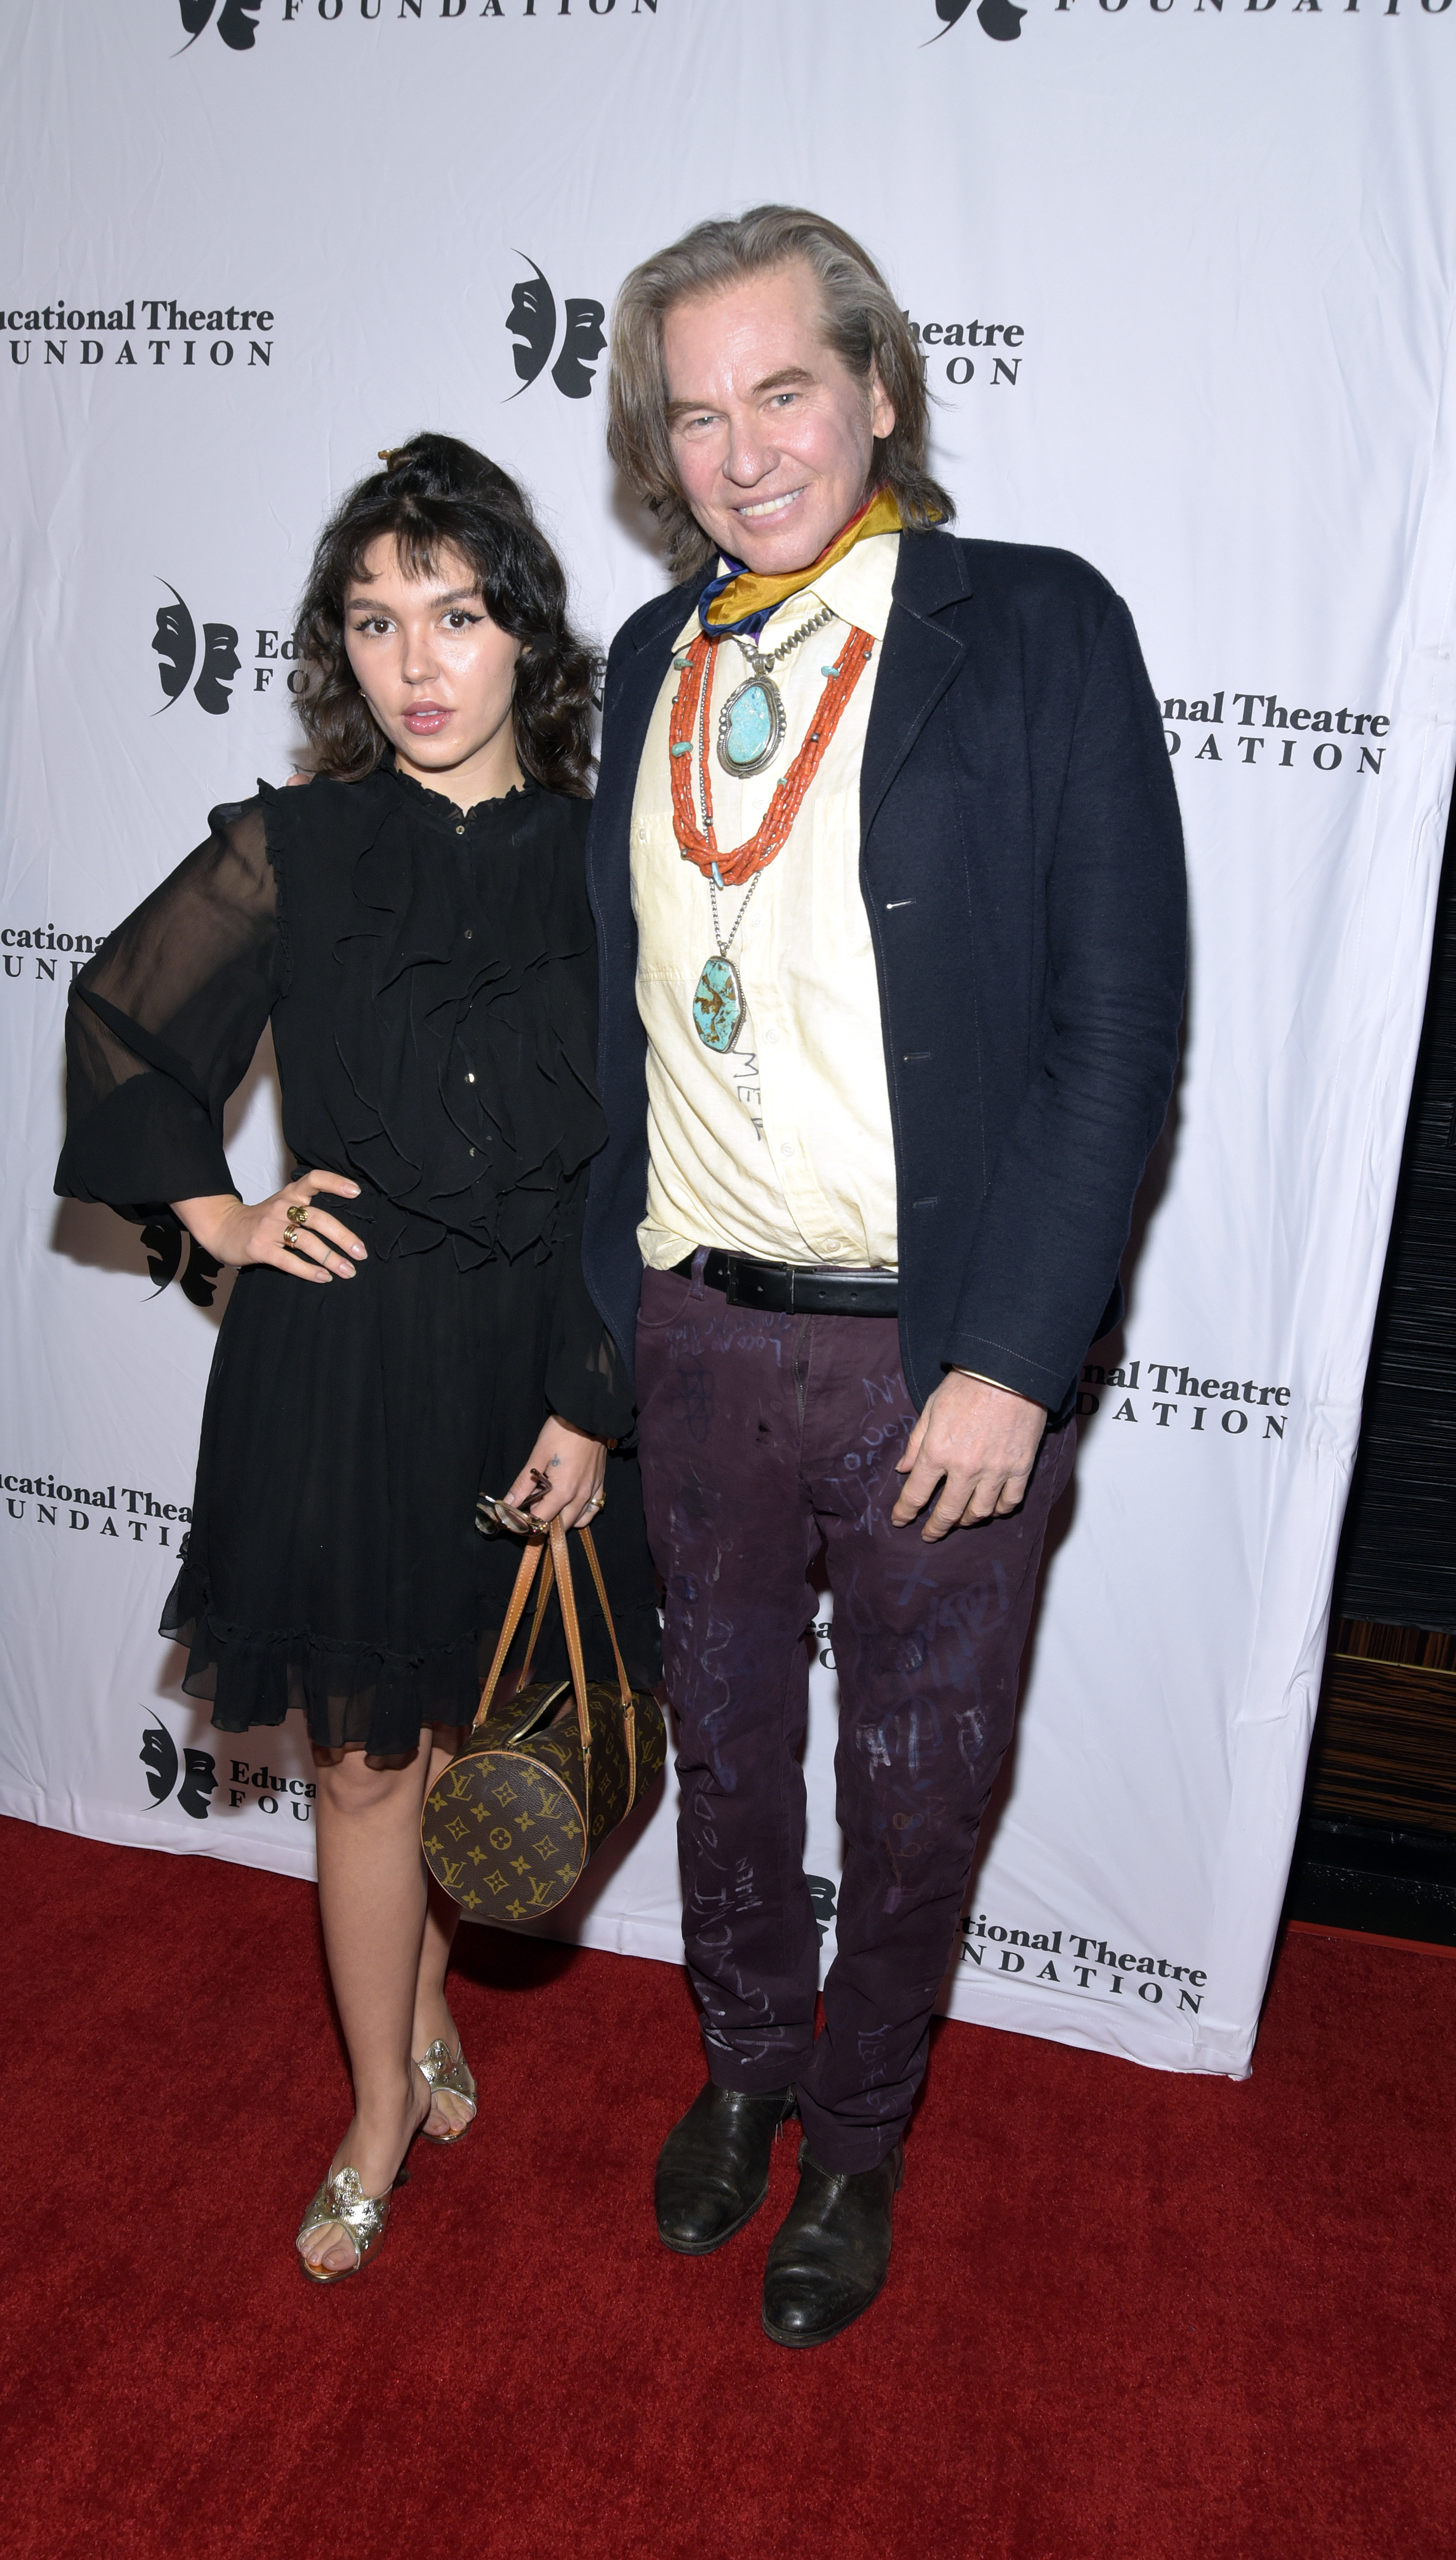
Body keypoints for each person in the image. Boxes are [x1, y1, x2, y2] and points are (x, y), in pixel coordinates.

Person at [586, 208, 1187, 2346]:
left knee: (919, 1787)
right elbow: (617, 1023)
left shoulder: (1034, 628)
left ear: (879, 389)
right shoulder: (649, 662)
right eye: (695, 415)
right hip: (696, 1328)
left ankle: (856, 2137)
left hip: (934, 1360)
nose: (741, 451)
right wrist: (604, 1334)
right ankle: (747, 2063)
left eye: (782, 392)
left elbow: (1116, 1029)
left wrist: (1015, 1358)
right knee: (728, 1752)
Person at [56, 437, 658, 2283]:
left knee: (486, 1734)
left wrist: (591, 1394)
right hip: (344, 1359)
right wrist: (221, 1218)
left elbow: (653, 1160)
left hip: (537, 1353)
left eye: (454, 615)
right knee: (366, 1766)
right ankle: (382, 2100)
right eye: (376, 621)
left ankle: (426, 1994)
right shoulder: (297, 848)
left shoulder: (614, 855)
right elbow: (119, 1018)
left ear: (522, 631)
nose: (416, 662)